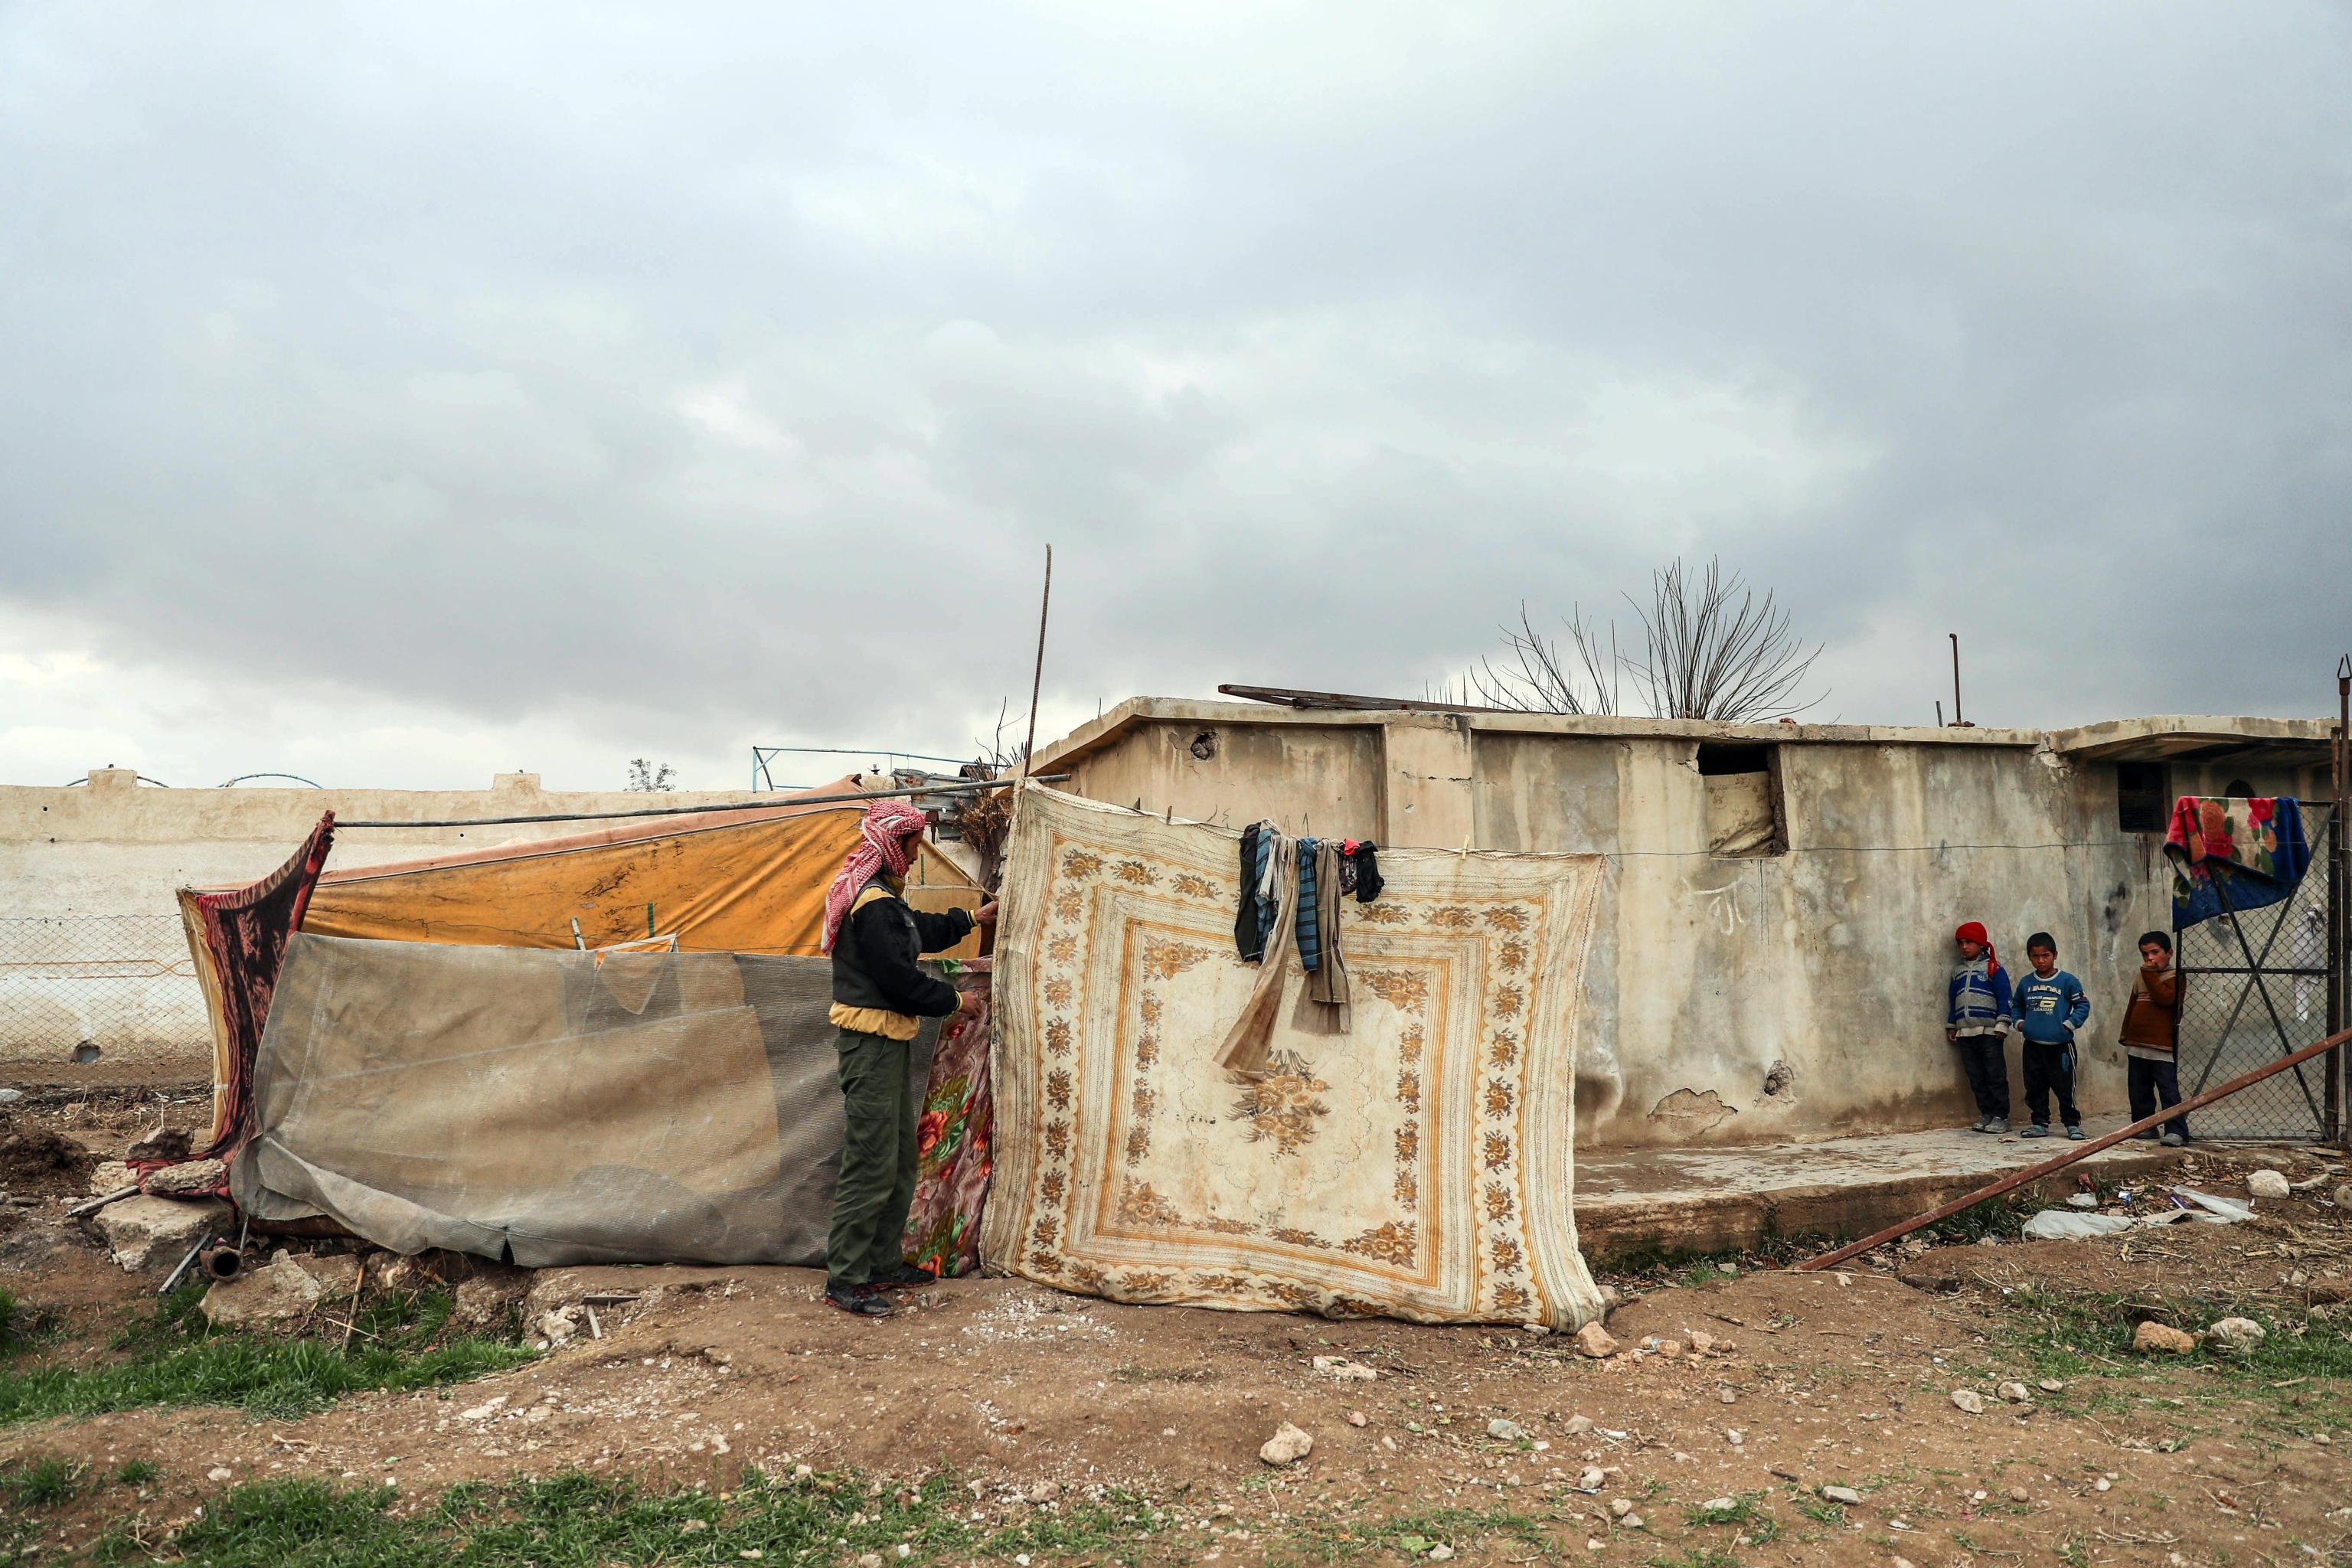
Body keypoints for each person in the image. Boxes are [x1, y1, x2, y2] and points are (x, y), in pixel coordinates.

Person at [819, 799, 997, 1318]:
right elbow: (897, 977)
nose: (918, 854)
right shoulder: (872, 904)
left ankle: (881, 1264)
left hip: (886, 1041)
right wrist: (953, 1000)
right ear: (894, 845)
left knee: (896, 1157)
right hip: (870, 1044)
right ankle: (847, 1277)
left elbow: (915, 931)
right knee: (870, 1161)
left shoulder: (882, 901)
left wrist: (971, 918)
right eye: (915, 845)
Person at [2012, 932, 2089, 1140]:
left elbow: (2082, 1005)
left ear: (2055, 955)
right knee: (2035, 1087)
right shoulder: (2026, 983)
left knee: (2064, 1087)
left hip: (2060, 1047)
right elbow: (2017, 1005)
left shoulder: (2067, 981)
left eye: (2045, 955)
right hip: (2033, 1046)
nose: (2041, 961)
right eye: (2035, 956)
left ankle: (2072, 1124)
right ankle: (2039, 1123)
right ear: (2029, 957)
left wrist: (2068, 1025)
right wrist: (2019, 1023)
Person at [2118, 929, 2188, 1146]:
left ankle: (2176, 1130)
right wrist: (2125, 1034)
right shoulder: (2141, 976)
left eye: (2155, 952)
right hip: (2137, 1044)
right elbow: (2133, 1003)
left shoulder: (2175, 976)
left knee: (2167, 1089)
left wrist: (2149, 975)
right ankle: (2144, 1127)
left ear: (2169, 953)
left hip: (2161, 1045)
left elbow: (2165, 999)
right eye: (2145, 954)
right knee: (2139, 1089)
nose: (2150, 959)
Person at [1946, 920, 2014, 1134]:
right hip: (1966, 1033)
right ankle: (1986, 1113)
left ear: (1982, 944)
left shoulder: (1993, 968)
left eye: (1970, 942)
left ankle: (2001, 1116)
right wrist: (1952, 1025)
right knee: (1976, 1076)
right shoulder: (1957, 972)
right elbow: (1952, 999)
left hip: (1990, 1033)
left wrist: (2002, 1024)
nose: (1965, 947)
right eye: (1961, 943)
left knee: (1995, 1075)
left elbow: (2005, 997)